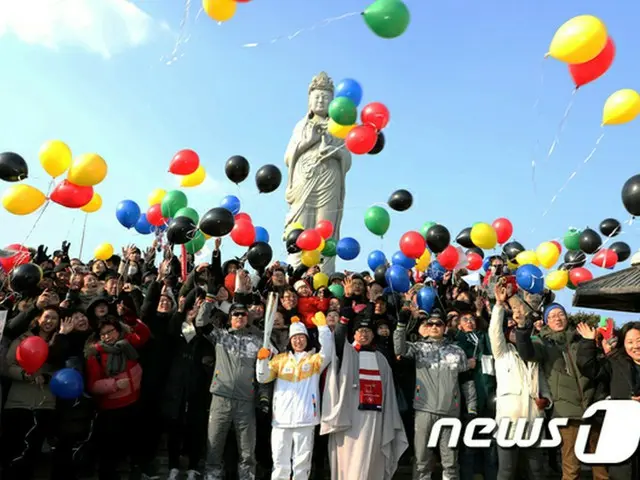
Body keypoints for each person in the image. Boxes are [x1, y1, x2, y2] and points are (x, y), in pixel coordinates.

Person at [320, 306, 407, 479]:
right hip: (349, 418)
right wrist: (343, 322)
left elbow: (388, 394)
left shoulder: (381, 359)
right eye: (360, 331)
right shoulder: (348, 353)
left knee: (370, 461)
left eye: (367, 331)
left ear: (373, 335)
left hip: (374, 419)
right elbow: (337, 340)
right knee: (350, 461)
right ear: (354, 334)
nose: (364, 334)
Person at [394, 308, 477, 480]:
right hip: (424, 410)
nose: (433, 326)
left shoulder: (457, 351)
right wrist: (401, 326)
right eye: (430, 323)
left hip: (450, 412)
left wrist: (472, 409)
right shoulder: (419, 348)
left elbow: (467, 382)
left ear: (445, 327)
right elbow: (399, 350)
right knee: (422, 461)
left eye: (438, 324)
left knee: (450, 462)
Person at [196, 298, 269, 480]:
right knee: (215, 443)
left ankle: (247, 476)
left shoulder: (258, 341)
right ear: (230, 318)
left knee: (247, 448)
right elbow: (200, 322)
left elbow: (264, 373)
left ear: (247, 317)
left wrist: (264, 396)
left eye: (243, 314)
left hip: (246, 400)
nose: (239, 317)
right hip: (221, 397)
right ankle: (212, 475)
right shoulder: (221, 336)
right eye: (235, 314)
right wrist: (209, 300)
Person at [256, 312, 333, 479]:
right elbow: (262, 377)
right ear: (290, 340)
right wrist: (261, 361)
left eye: (301, 337)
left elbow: (328, 351)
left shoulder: (313, 360)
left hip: (306, 418)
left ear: (306, 338)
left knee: (302, 462)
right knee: (279, 461)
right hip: (281, 420)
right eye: (295, 338)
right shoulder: (279, 360)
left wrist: (323, 328)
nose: (298, 341)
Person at [490, 284, 552, 480]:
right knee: (506, 472)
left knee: (536, 472)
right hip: (508, 423)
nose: (515, 332)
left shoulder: (534, 357)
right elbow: (494, 332)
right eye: (511, 329)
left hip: (533, 421)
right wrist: (499, 304)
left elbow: (544, 386)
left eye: (518, 329)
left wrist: (547, 401)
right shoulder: (502, 354)